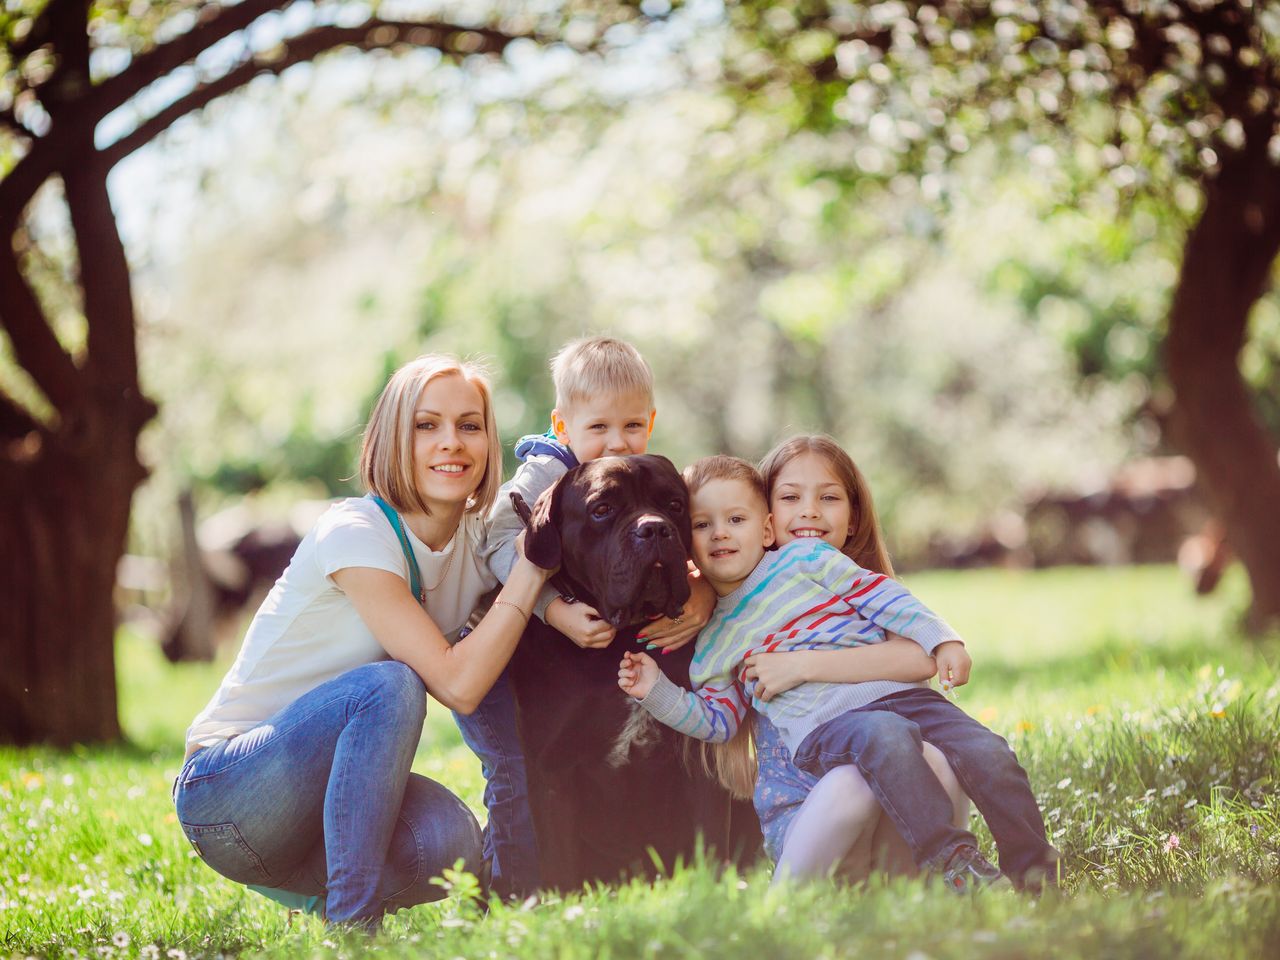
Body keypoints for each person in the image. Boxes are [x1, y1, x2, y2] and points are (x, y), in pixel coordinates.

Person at [174, 355, 554, 929]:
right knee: (390, 685)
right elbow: (457, 683)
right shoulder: (354, 531)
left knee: (451, 841)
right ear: (391, 439)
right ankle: (352, 929)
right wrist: (531, 574)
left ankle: (328, 887)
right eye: (426, 425)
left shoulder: (480, 543)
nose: (451, 442)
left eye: (469, 425)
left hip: (321, 811)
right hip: (227, 796)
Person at [619, 452, 1059, 891]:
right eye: (702, 525)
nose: (719, 534)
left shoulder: (805, 558)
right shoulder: (715, 639)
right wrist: (655, 690)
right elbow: (716, 722)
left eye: (736, 519)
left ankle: (1035, 875)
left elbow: (880, 595)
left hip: (907, 699)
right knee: (886, 734)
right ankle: (952, 861)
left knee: (988, 750)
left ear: (766, 528)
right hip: (826, 726)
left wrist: (942, 638)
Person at [467, 335, 716, 896]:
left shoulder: (650, 474)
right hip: (559, 621)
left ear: (649, 423)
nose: (615, 443)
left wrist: (701, 595)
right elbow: (503, 540)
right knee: (530, 774)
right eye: (598, 429)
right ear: (563, 427)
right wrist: (554, 610)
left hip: (667, 835)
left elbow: (713, 533)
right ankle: (533, 890)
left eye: (631, 428)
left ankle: (710, 874)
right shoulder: (542, 480)